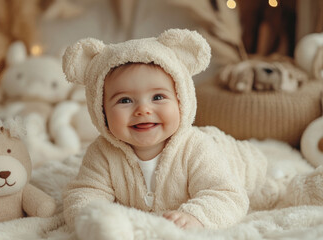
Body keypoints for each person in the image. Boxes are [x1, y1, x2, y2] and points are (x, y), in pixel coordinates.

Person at [62, 29, 268, 230]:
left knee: (262, 176)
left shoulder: (197, 148)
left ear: (181, 100)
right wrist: (92, 219)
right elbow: (85, 193)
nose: (143, 110)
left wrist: (196, 216)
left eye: (158, 97)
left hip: (233, 157)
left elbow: (227, 194)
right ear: (101, 110)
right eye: (125, 100)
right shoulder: (102, 153)